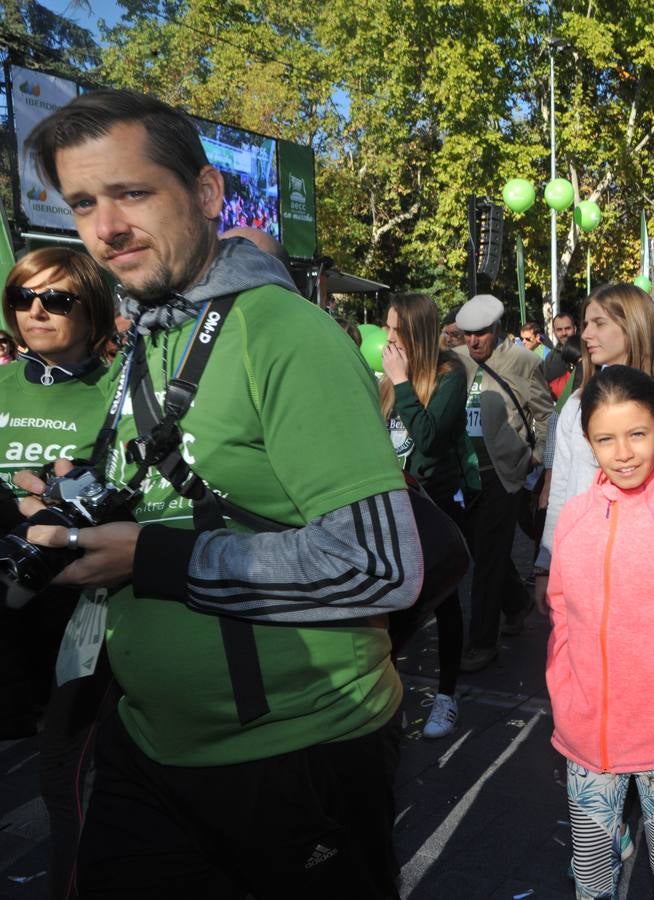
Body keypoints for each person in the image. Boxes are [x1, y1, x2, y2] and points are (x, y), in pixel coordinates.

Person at [23, 88, 422, 897]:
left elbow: (384, 565)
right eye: (84, 203)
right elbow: (182, 485)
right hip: (146, 743)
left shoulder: (283, 332)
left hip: (301, 755)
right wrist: (74, 503)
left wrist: (150, 558)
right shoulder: (145, 336)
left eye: (133, 192)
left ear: (205, 194)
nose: (107, 228)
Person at [546, 365, 654, 900]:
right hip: (588, 738)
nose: (623, 452)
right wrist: (564, 690)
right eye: (605, 439)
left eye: (637, 434)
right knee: (591, 871)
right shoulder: (574, 517)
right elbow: (561, 613)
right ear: (588, 442)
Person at [1, 247, 118, 899]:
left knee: (65, 777)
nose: (36, 311)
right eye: (23, 297)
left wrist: (60, 499)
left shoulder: (120, 389)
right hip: (5, 612)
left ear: (92, 306)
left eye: (57, 299)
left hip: (81, 612)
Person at [535, 283, 654, 606]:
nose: (587, 334)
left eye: (599, 323)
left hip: (641, 585)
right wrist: (546, 565)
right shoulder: (576, 405)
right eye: (586, 324)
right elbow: (561, 493)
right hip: (580, 575)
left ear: (631, 326)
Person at [378, 292, 476, 739]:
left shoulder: (451, 374)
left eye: (394, 327)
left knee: (445, 598)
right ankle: (389, 690)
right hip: (394, 500)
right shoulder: (387, 379)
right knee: (390, 596)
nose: (386, 334)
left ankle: (447, 695)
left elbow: (429, 438)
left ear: (413, 331)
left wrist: (400, 383)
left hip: (436, 501)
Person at [454, 293, 553, 672]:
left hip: (506, 475)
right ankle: (515, 601)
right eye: (468, 335)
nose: (474, 341)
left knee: (490, 558)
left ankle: (482, 642)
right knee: (481, 550)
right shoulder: (457, 361)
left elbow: (545, 416)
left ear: (496, 329)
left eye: (481, 334)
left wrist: (537, 459)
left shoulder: (524, 362)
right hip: (467, 473)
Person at [543, 310, 578, 384]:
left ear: (575, 329)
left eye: (568, 328)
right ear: (554, 332)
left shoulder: (587, 353)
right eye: (559, 330)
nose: (564, 333)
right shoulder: (550, 358)